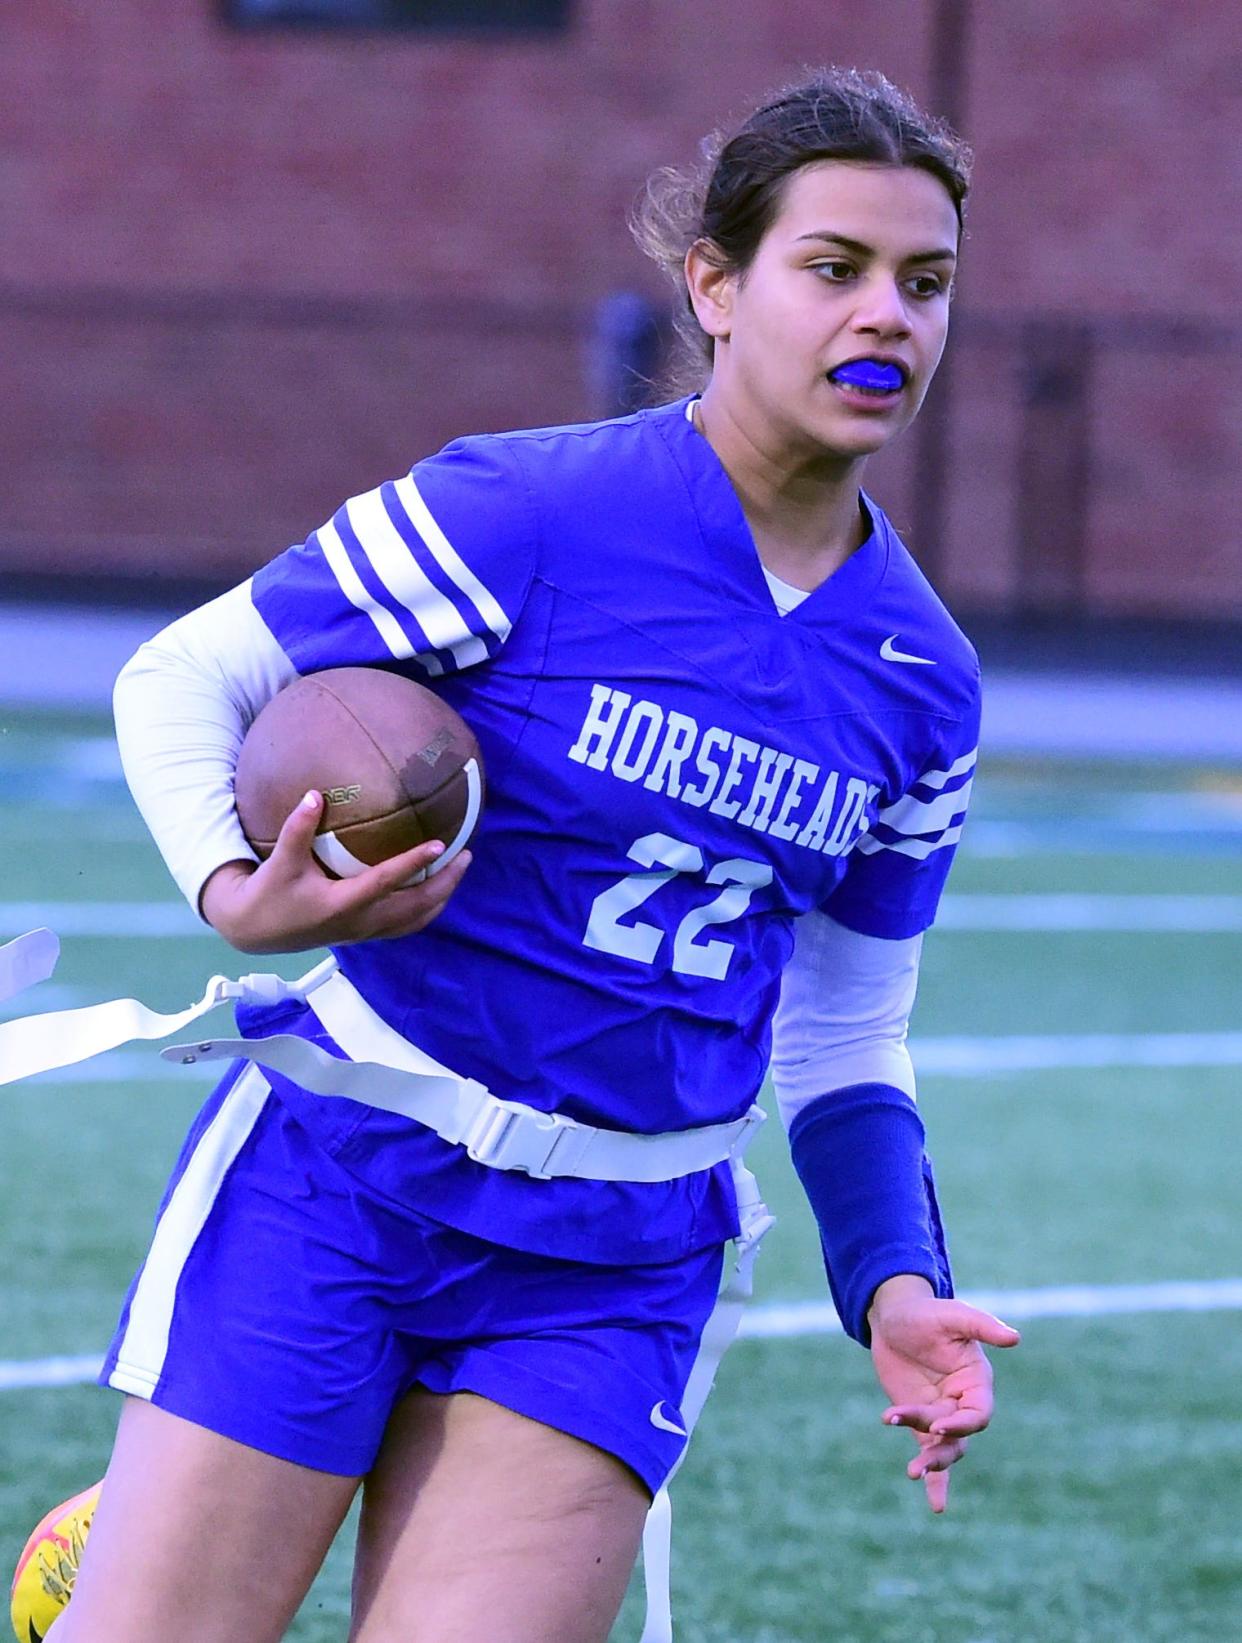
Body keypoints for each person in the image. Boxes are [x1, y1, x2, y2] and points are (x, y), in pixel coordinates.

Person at [23, 65, 1019, 1643]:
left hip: (616, 1261)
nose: (885, 315)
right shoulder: (529, 510)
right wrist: (235, 883)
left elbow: (844, 1033)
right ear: (714, 283)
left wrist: (891, 1282)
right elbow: (185, 676)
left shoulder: (921, 677)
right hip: (341, 1178)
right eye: (833, 269)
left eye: (925, 282)